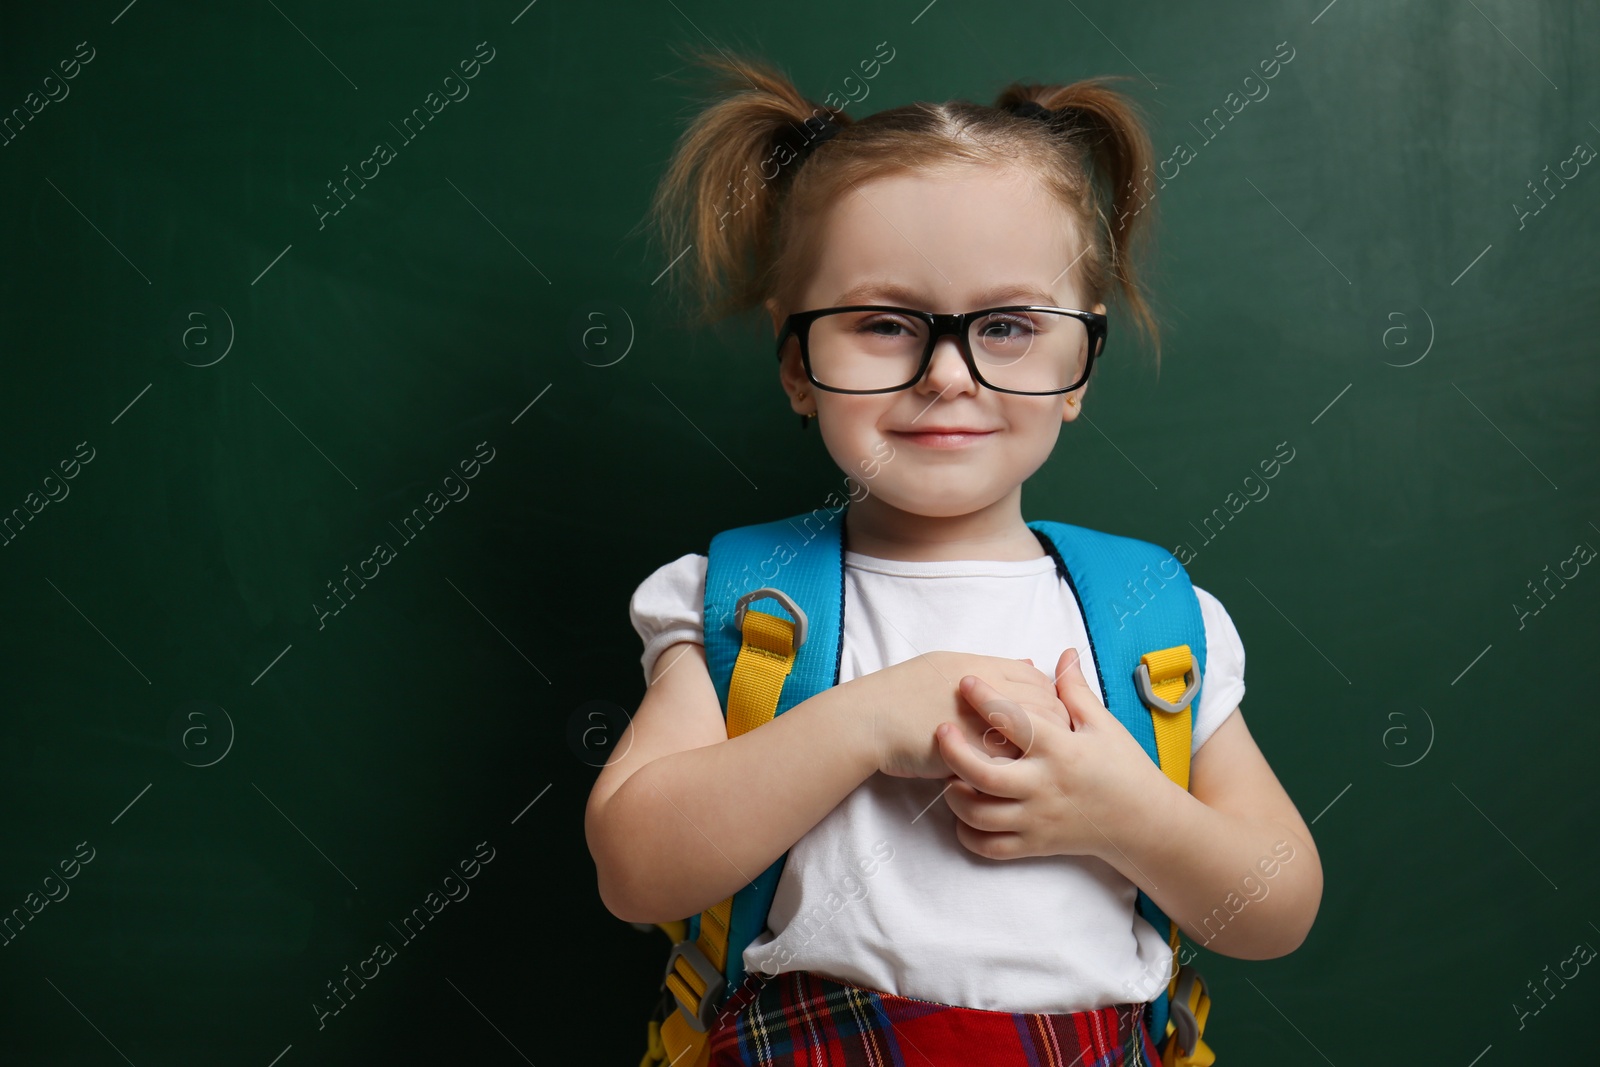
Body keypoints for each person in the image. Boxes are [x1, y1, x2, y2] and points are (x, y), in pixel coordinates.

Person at [584, 47, 1323, 1066]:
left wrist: (1126, 812)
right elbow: (635, 868)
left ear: (1081, 362)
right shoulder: (743, 602)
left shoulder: (1155, 615)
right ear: (798, 360)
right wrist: (871, 717)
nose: (945, 374)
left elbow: (1275, 904)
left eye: (1008, 326)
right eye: (884, 324)